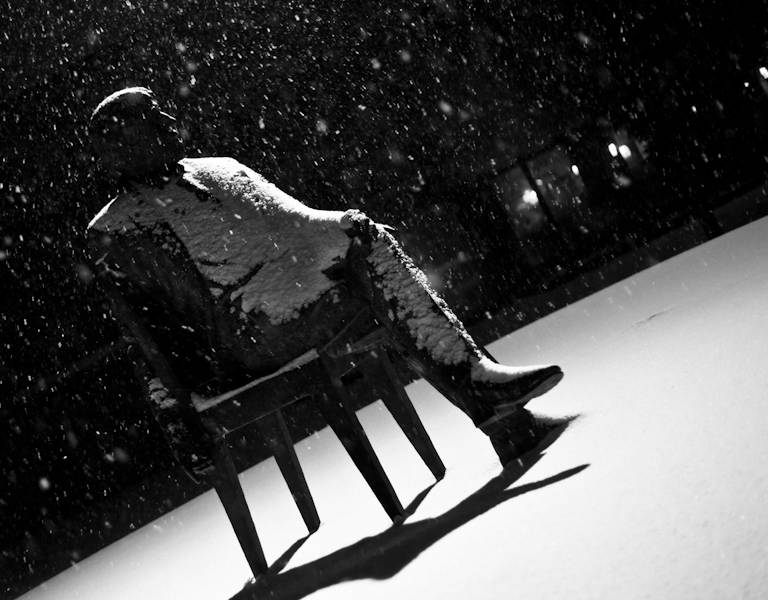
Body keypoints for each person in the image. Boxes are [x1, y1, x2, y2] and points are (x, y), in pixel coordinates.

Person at [85, 86, 564, 473]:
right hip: (243, 341)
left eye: (162, 112)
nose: (169, 121)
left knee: (366, 242)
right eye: (152, 119)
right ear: (122, 147)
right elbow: (147, 340)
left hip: (291, 296)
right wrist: (178, 420)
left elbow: (300, 223)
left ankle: (489, 399)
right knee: (373, 270)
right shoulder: (114, 230)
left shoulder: (222, 170)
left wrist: (345, 225)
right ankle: (486, 396)